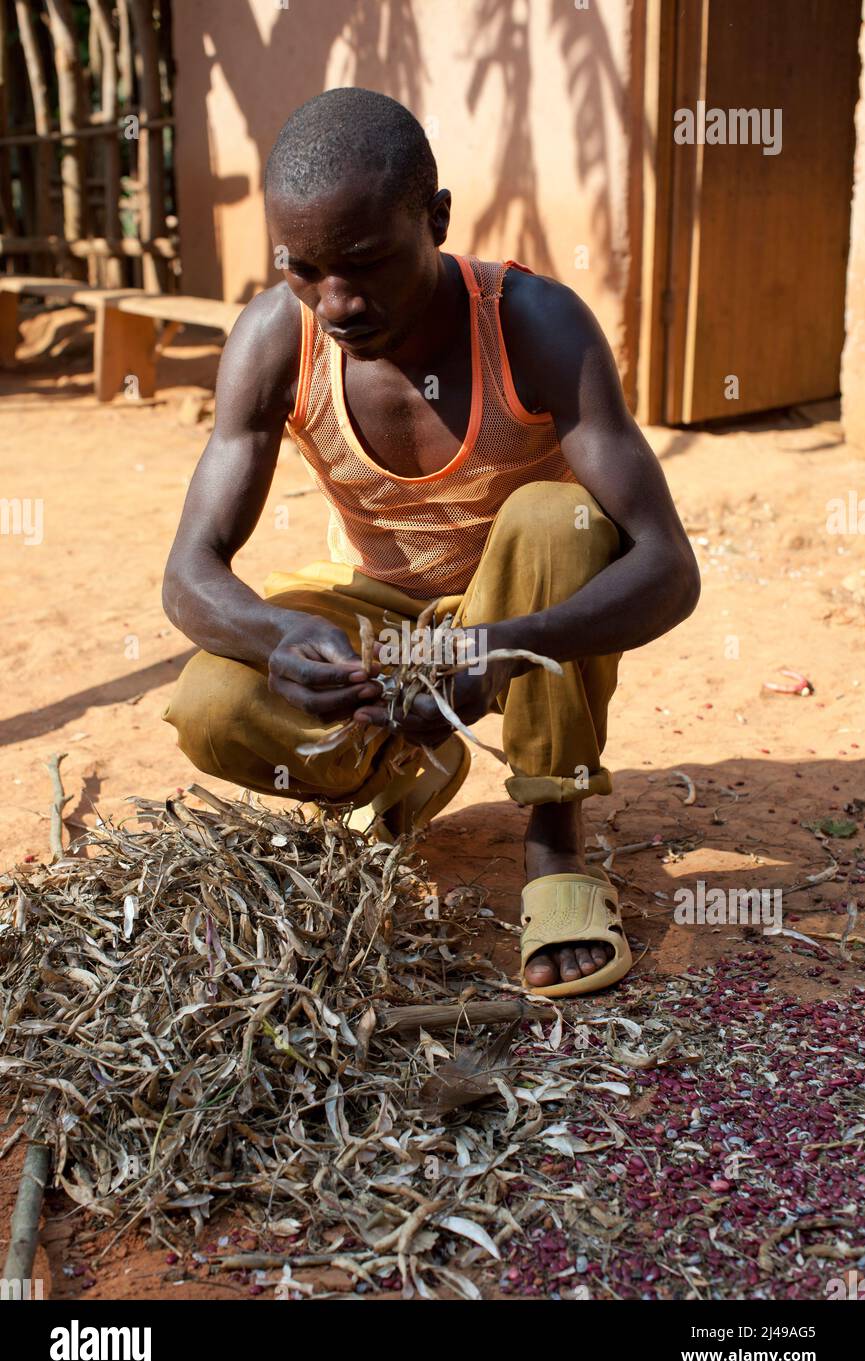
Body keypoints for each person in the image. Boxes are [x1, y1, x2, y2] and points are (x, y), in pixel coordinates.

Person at [162, 88, 700, 998]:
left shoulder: (533, 324)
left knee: (553, 519)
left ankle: (555, 846)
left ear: (437, 220)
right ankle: (400, 761)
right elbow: (190, 572)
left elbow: (666, 568)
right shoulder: (272, 340)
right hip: (385, 608)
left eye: (366, 264)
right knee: (212, 702)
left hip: (517, 606)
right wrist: (279, 639)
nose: (336, 302)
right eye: (305, 269)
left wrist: (494, 649)